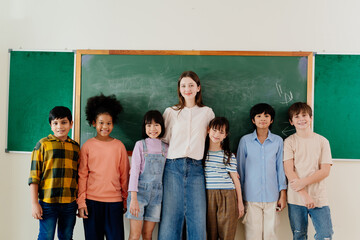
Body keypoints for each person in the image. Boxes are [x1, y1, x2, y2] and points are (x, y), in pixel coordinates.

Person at [158, 71, 215, 240]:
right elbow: (164, 138)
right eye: (183, 86)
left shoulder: (207, 112)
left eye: (191, 85)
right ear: (179, 89)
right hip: (173, 166)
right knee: (171, 216)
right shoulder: (170, 112)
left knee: (197, 217)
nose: (187, 89)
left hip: (196, 168)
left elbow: (211, 140)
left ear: (198, 88)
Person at [77, 94, 130, 240]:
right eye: (101, 123)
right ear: (94, 122)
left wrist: (125, 200)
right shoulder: (87, 146)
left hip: (114, 203)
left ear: (113, 124)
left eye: (109, 123)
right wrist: (81, 202)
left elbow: (125, 175)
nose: (105, 127)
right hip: (92, 203)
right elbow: (82, 176)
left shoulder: (119, 146)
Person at [283, 102, 333, 240]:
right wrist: (304, 195)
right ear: (291, 122)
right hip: (296, 198)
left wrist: (303, 182)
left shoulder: (323, 141)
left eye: (304, 115)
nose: (301, 119)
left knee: (325, 235)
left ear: (311, 118)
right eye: (296, 116)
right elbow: (289, 170)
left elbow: (325, 171)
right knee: (299, 235)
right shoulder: (289, 142)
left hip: (318, 197)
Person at [237, 103, 287, 240]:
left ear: (271, 120)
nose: (262, 119)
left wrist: (283, 195)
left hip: (272, 197)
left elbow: (280, 169)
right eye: (258, 116)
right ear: (253, 120)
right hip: (251, 196)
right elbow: (239, 170)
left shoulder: (278, 141)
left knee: (271, 234)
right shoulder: (245, 141)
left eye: (266, 116)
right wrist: (239, 197)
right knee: (253, 235)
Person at [29, 106, 80, 240]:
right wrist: (34, 203)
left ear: (71, 124)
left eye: (64, 122)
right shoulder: (43, 145)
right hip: (47, 202)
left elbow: (78, 176)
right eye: (55, 123)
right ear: (51, 125)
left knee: (67, 236)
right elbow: (34, 177)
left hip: (69, 203)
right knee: (46, 236)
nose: (60, 127)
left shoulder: (75, 147)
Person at [125, 110, 168, 240]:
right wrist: (133, 199)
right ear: (144, 127)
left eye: (156, 125)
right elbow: (134, 173)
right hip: (139, 194)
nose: (152, 129)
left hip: (157, 196)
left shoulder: (166, 148)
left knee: (148, 234)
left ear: (162, 126)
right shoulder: (140, 145)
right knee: (135, 235)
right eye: (148, 125)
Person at [204, 117, 244, 240]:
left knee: (227, 233)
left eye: (221, 132)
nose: (217, 134)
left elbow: (235, 180)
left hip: (228, 194)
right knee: (211, 233)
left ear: (225, 135)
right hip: (208, 195)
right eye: (215, 130)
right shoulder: (201, 154)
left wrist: (240, 203)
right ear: (208, 130)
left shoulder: (228, 155)